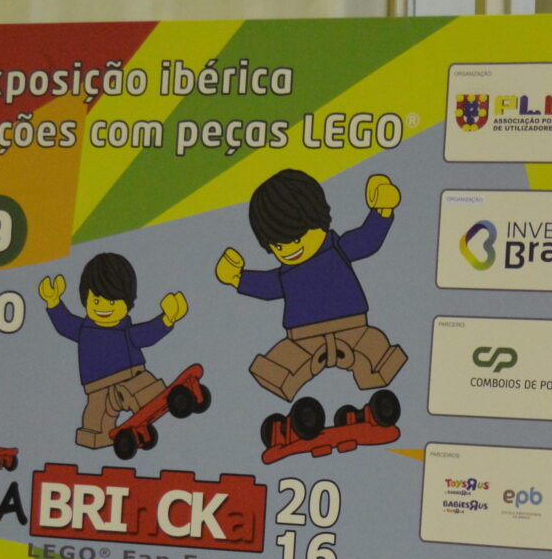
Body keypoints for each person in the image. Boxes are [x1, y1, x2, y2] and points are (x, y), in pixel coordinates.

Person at [220, 169, 408, 402]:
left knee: (378, 355)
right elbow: (268, 287)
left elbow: (366, 240)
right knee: (276, 368)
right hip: (302, 338)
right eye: (278, 246)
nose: (288, 250)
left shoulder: (336, 249)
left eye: (296, 239)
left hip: (352, 327)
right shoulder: (286, 273)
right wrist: (237, 278)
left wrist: (382, 211)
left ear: (319, 220)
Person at [39, 251, 188, 449]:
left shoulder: (124, 331)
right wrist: (53, 302)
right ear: (86, 300)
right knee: (95, 420)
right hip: (97, 387)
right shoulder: (84, 330)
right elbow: (64, 324)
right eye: (96, 301)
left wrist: (166, 319)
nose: (103, 308)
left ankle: (162, 399)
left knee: (143, 391)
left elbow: (146, 334)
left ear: (127, 303)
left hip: (129, 377)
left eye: (111, 302)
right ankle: (100, 438)